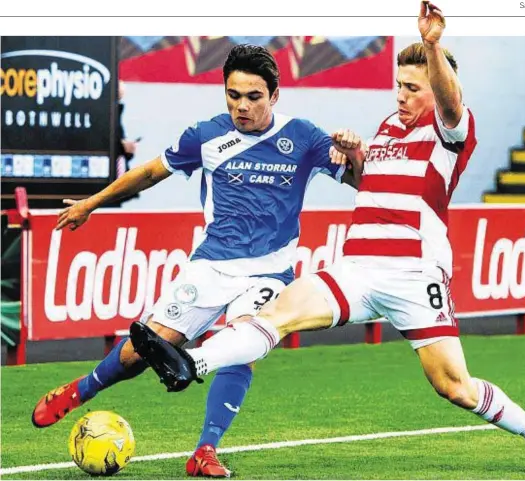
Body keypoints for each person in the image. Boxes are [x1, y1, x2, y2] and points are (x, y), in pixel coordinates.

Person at [131, 2, 525, 472]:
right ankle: (191, 363)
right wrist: (355, 154)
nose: (400, 95)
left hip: (413, 274)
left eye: (412, 88)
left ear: (435, 90)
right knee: (277, 313)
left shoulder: (450, 130)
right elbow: (365, 181)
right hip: (357, 267)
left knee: (454, 386)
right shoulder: (388, 127)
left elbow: (451, 100)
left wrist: (433, 46)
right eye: (397, 84)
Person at [31, 44, 367, 478]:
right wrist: (91, 204)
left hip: (268, 271)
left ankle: (205, 450)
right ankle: (81, 390)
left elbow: (362, 181)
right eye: (233, 95)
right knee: (142, 352)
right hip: (209, 267)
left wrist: (353, 153)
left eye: (253, 96)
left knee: (241, 346)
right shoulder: (206, 136)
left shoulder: (303, 137)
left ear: (275, 95)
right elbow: (151, 172)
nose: (242, 106)